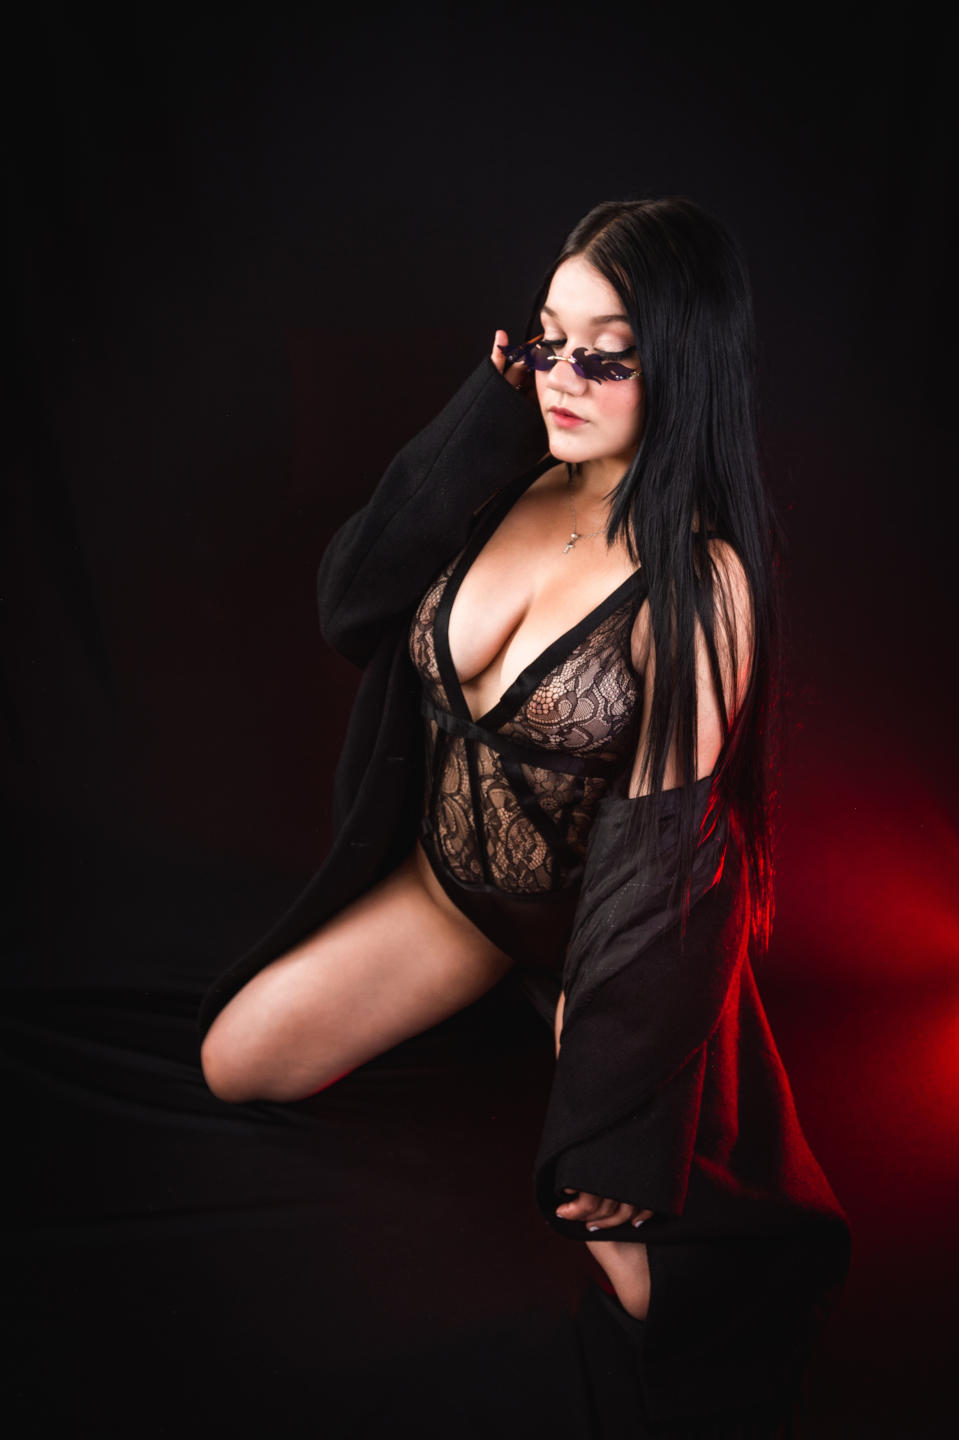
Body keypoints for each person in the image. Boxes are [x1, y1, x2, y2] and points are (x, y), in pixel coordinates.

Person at [198, 198, 850, 1436]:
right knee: (235, 1064)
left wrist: (614, 1121)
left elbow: (663, 865)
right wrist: (479, 418)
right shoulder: (513, 469)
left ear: (683, 365)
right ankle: (505, 1008)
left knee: (650, 1280)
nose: (562, 377)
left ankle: (558, 1036)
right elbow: (350, 604)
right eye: (549, 341)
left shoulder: (697, 583)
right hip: (450, 897)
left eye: (606, 356)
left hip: (595, 944)